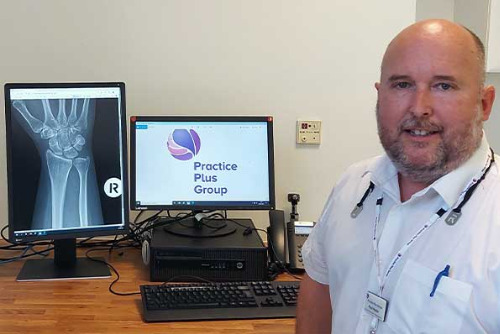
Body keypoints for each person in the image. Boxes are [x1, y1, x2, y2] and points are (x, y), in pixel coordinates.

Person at [296, 19, 499, 334]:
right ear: (380, 96)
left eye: (443, 85)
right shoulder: (353, 184)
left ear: (484, 104)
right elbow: (320, 285)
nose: (419, 108)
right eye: (402, 84)